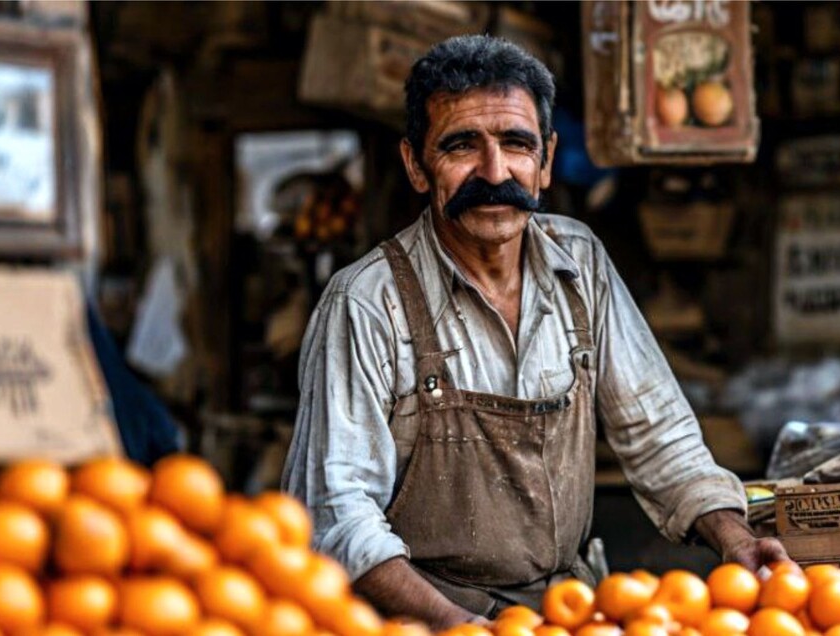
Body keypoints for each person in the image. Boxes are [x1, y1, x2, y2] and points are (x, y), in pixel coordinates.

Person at [281, 35, 789, 629]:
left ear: (545, 161)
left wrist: (736, 540)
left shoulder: (580, 264)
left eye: (516, 144)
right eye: (462, 146)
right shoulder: (366, 303)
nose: (495, 173)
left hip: (561, 614)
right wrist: (463, 626)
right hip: (418, 618)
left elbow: (659, 437)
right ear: (416, 165)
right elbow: (337, 515)